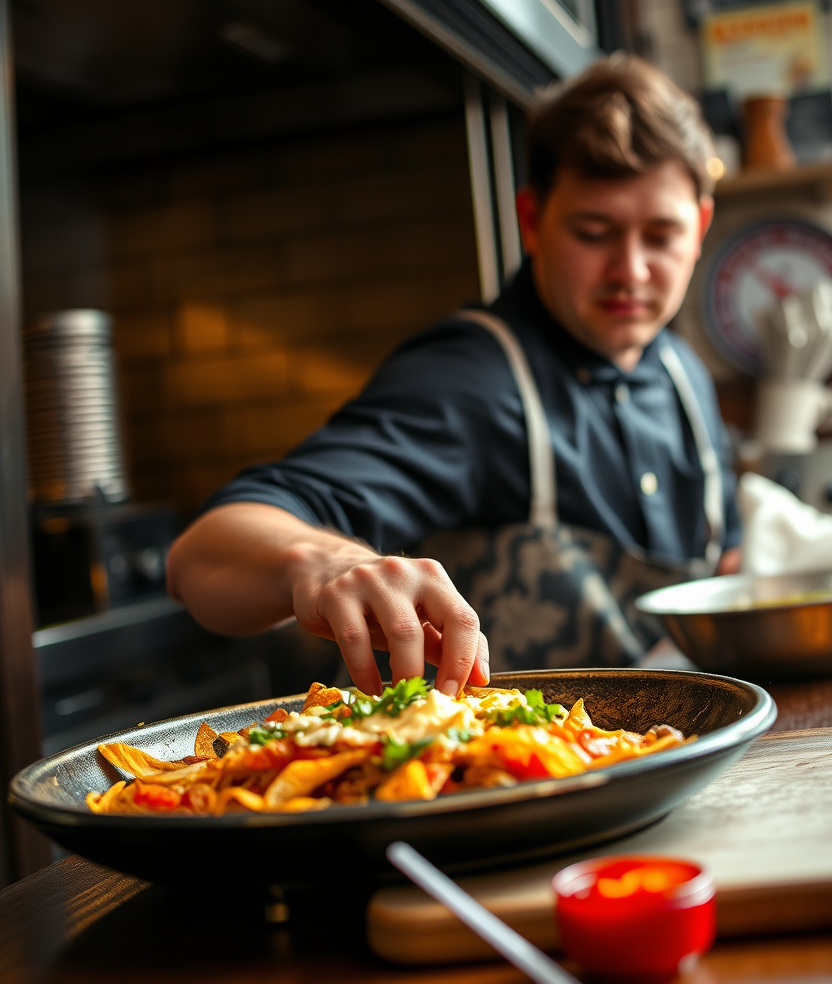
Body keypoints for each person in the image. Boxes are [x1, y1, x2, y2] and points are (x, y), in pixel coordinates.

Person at [166, 54, 741, 700]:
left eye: (661, 235)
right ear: (533, 221)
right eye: (594, 232)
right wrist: (330, 562)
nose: (631, 270)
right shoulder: (472, 379)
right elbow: (200, 554)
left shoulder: (684, 376)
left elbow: (723, 562)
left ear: (701, 229)